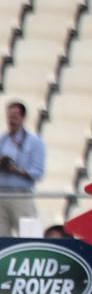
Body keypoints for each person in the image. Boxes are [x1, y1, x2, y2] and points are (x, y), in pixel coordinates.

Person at [0, 100, 46, 236]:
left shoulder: (34, 142)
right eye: (9, 117)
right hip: (1, 194)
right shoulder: (2, 140)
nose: (11, 121)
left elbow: (37, 172)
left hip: (21, 194)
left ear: (23, 118)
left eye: (15, 117)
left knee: (29, 235)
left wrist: (14, 170)